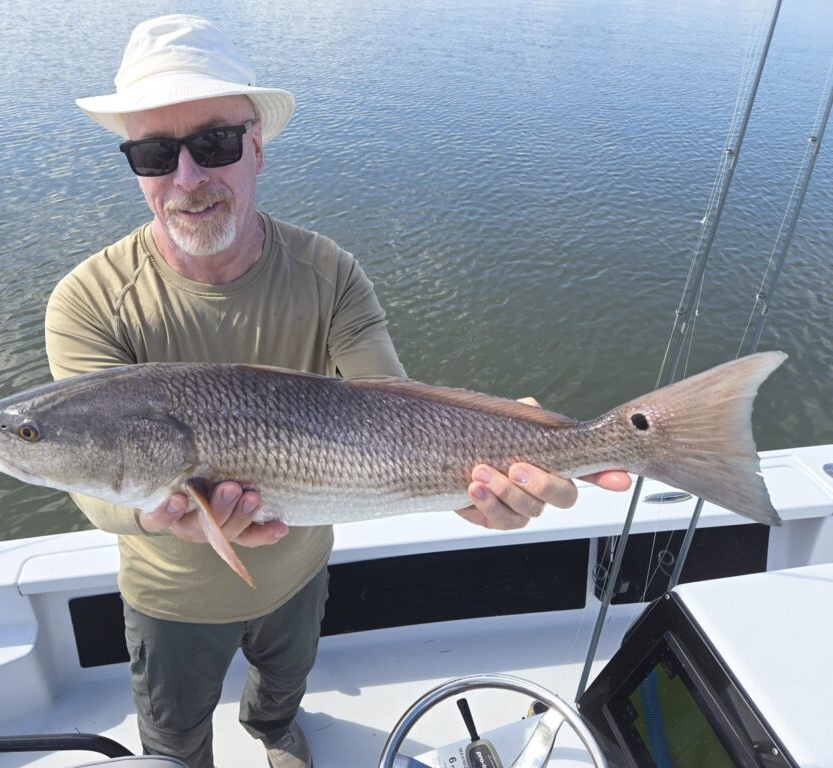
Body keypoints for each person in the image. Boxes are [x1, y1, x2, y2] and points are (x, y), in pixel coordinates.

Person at [46, 14, 630, 768]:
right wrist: (169, 519)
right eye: (156, 154)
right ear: (135, 166)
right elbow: (93, 485)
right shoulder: (88, 301)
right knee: (173, 731)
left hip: (299, 566)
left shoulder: (329, 273)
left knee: (284, 681)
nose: (187, 180)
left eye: (215, 144)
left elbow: (390, 408)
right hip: (170, 598)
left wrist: (485, 476)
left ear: (257, 144)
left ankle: (275, 730)